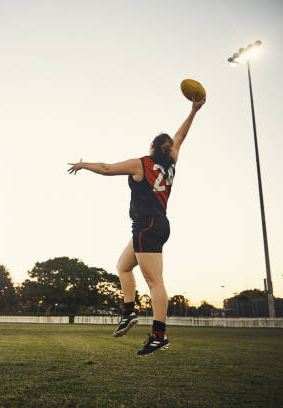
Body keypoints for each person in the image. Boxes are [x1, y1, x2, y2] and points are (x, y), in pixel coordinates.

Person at [68, 97, 205, 355]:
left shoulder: (143, 163)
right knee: (123, 266)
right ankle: (129, 313)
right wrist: (193, 110)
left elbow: (107, 169)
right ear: (168, 148)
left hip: (147, 225)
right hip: (158, 224)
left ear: (152, 146)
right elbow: (181, 136)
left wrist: (82, 164)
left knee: (154, 281)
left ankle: (159, 335)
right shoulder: (171, 160)